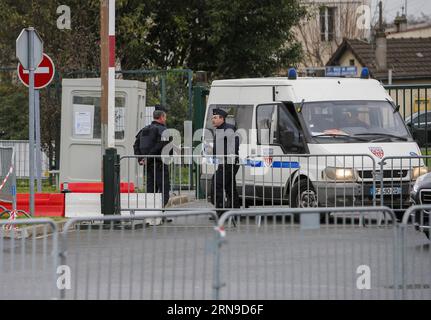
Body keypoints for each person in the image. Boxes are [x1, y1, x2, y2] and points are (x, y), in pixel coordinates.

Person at [134, 109, 170, 208]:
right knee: (164, 190)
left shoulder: (144, 130)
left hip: (148, 166)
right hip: (160, 165)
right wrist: (148, 157)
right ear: (162, 117)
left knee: (150, 191)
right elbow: (161, 145)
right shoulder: (163, 130)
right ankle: (160, 213)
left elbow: (135, 145)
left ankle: (151, 213)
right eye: (165, 117)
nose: (165, 119)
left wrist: (141, 158)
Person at [211, 108, 240, 215]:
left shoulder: (229, 129)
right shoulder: (219, 129)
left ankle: (220, 212)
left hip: (229, 163)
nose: (212, 120)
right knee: (230, 187)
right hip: (224, 163)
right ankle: (235, 211)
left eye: (215, 117)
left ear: (222, 118)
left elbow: (234, 146)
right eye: (212, 118)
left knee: (217, 185)